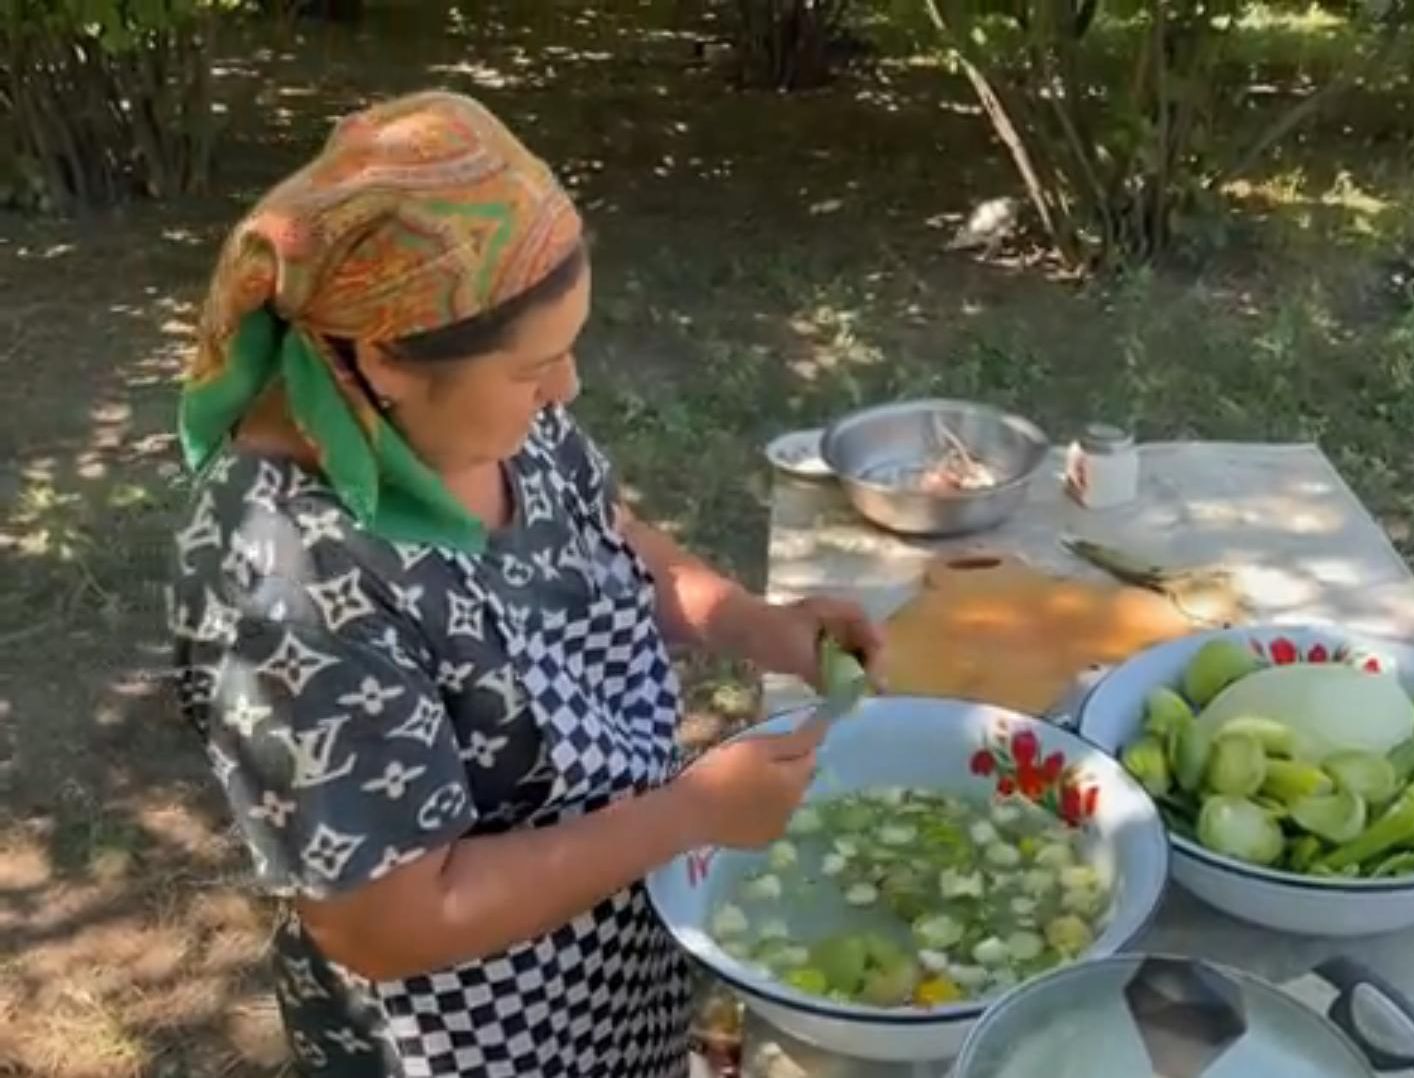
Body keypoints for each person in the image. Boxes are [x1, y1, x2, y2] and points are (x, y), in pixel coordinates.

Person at [167, 90, 883, 1077]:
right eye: (535, 366)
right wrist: (688, 815)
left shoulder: (476, 412)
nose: (566, 390)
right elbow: (383, 923)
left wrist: (762, 626)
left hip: (603, 973)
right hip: (462, 1037)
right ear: (387, 360)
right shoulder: (283, 578)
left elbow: (598, 531)